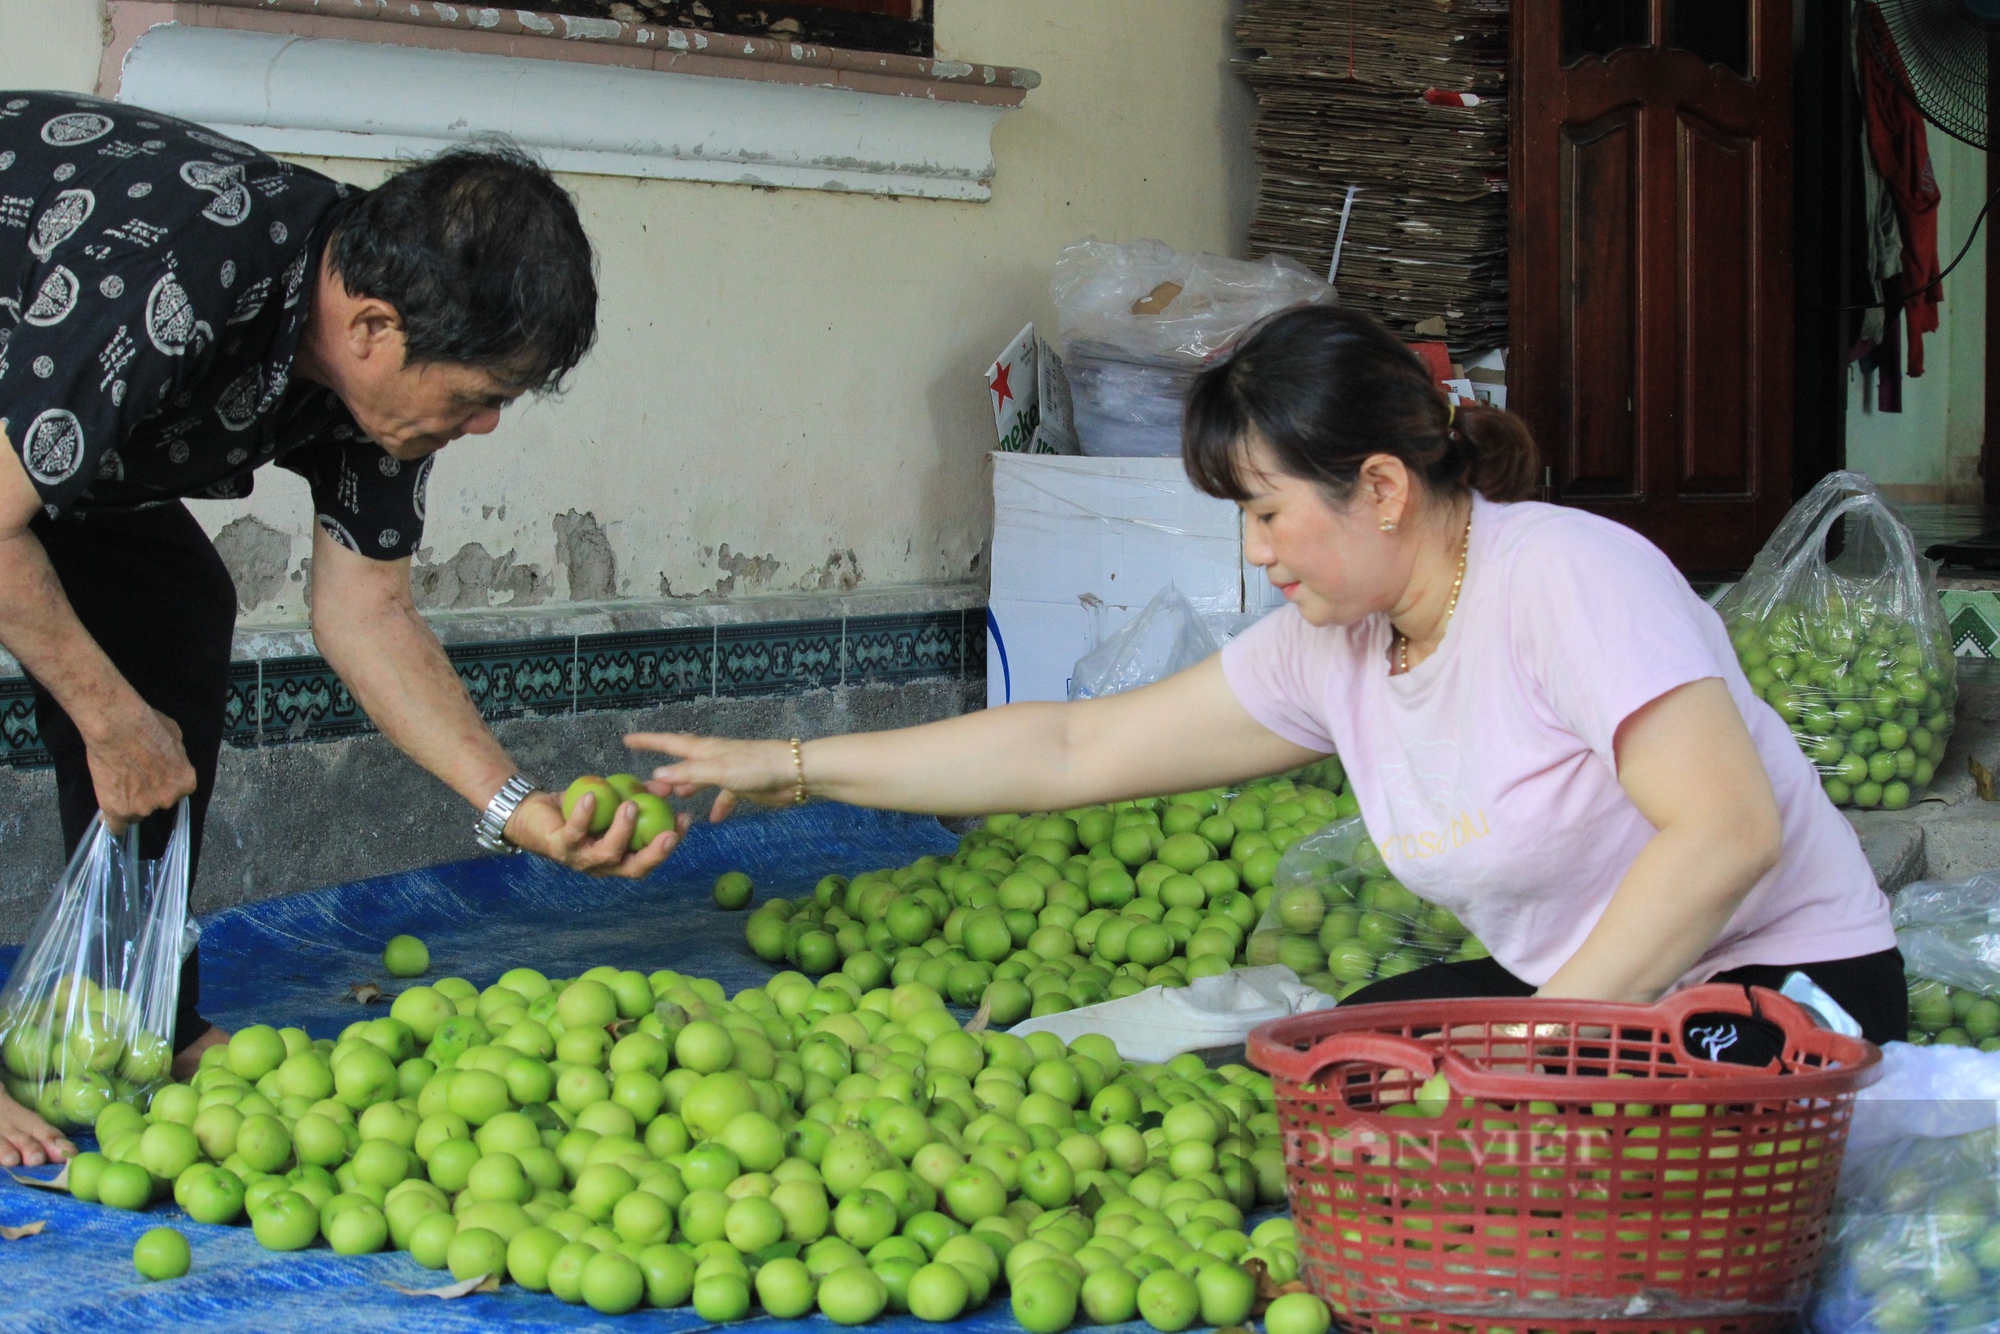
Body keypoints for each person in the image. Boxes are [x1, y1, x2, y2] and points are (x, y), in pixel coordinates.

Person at [631, 305, 1904, 1048]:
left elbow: (1727, 827)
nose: (1252, 555)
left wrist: (1529, 1052)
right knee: (1324, 1071)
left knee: (1485, 1158)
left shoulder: (1569, 577)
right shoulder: (1335, 642)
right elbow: (1072, 750)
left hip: (1779, 982)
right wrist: (792, 765)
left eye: (1263, 512)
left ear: (1383, 489)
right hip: (1592, 994)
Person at [0, 93, 687, 1167]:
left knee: (171, 607)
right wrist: (109, 715)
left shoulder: (383, 364)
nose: (482, 424)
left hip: (41, 416)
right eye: (474, 395)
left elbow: (364, 608)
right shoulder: (176, 278)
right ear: (372, 328)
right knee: (115, 689)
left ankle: (139, 1015)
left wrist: (517, 807)